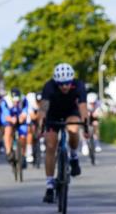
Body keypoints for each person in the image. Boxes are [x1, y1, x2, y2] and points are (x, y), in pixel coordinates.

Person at [37, 63, 89, 204]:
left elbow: (83, 108)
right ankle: (49, 186)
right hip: (53, 115)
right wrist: (40, 126)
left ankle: (73, 156)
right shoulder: (49, 86)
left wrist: (86, 126)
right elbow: (43, 109)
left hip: (70, 113)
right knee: (50, 145)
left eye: (67, 83)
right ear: (56, 82)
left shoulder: (78, 85)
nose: (65, 87)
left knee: (73, 129)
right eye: (61, 84)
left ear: (71, 80)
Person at [0, 88, 28, 163]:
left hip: (19, 117)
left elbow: (25, 112)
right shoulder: (5, 101)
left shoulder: (24, 99)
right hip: (9, 117)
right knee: (8, 130)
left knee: (23, 136)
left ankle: (23, 155)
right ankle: (9, 152)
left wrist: (22, 117)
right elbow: (6, 115)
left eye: (17, 101)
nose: (16, 102)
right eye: (14, 101)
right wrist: (11, 119)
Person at [24, 92, 40, 165]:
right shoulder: (30, 102)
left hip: (38, 115)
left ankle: (41, 140)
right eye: (38, 101)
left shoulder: (44, 103)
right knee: (30, 130)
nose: (39, 103)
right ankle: (29, 151)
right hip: (30, 117)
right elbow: (32, 116)